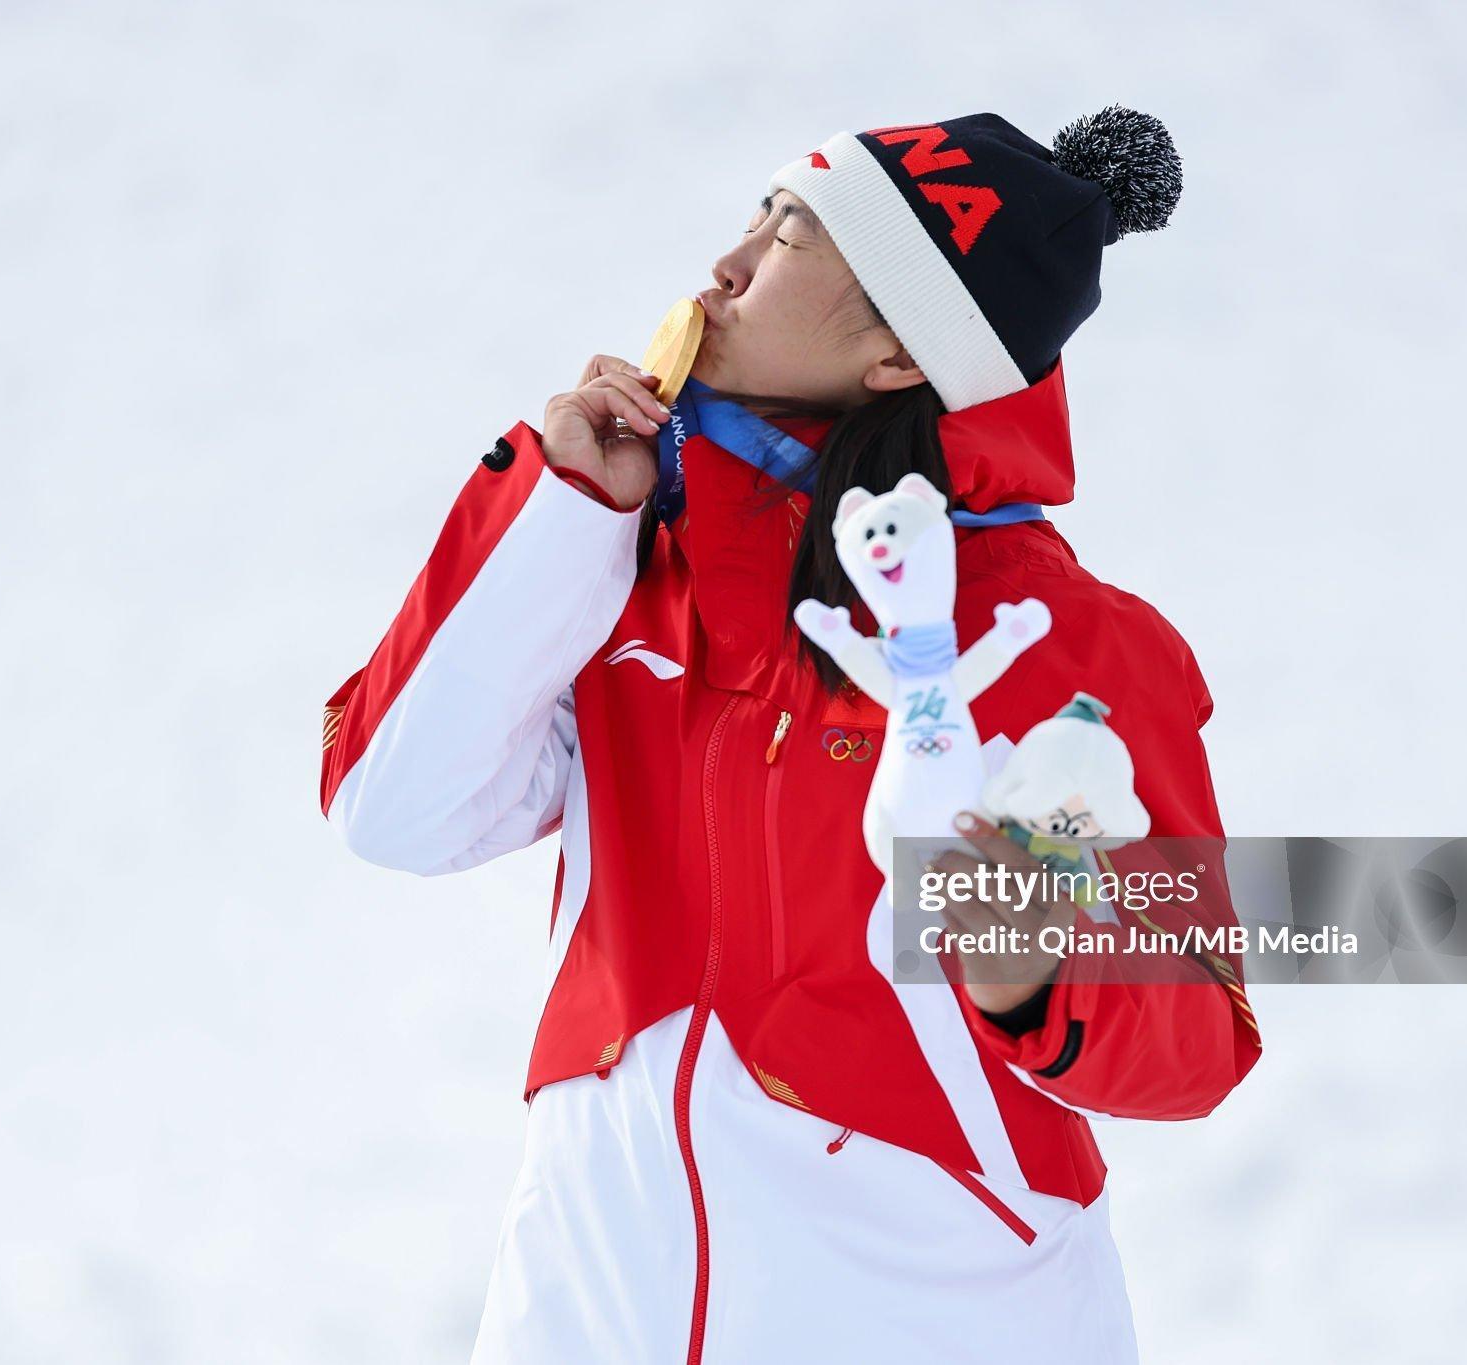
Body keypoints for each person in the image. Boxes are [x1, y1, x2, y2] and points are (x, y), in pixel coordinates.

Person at [320, 108, 1262, 1364]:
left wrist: (1035, 971)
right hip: (587, 1296)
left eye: (792, 236)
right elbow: (395, 810)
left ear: (895, 353)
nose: (725, 266)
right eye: (756, 216)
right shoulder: (627, 569)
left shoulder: (1055, 636)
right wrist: (550, 514)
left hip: (932, 1310)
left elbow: (1195, 1038)